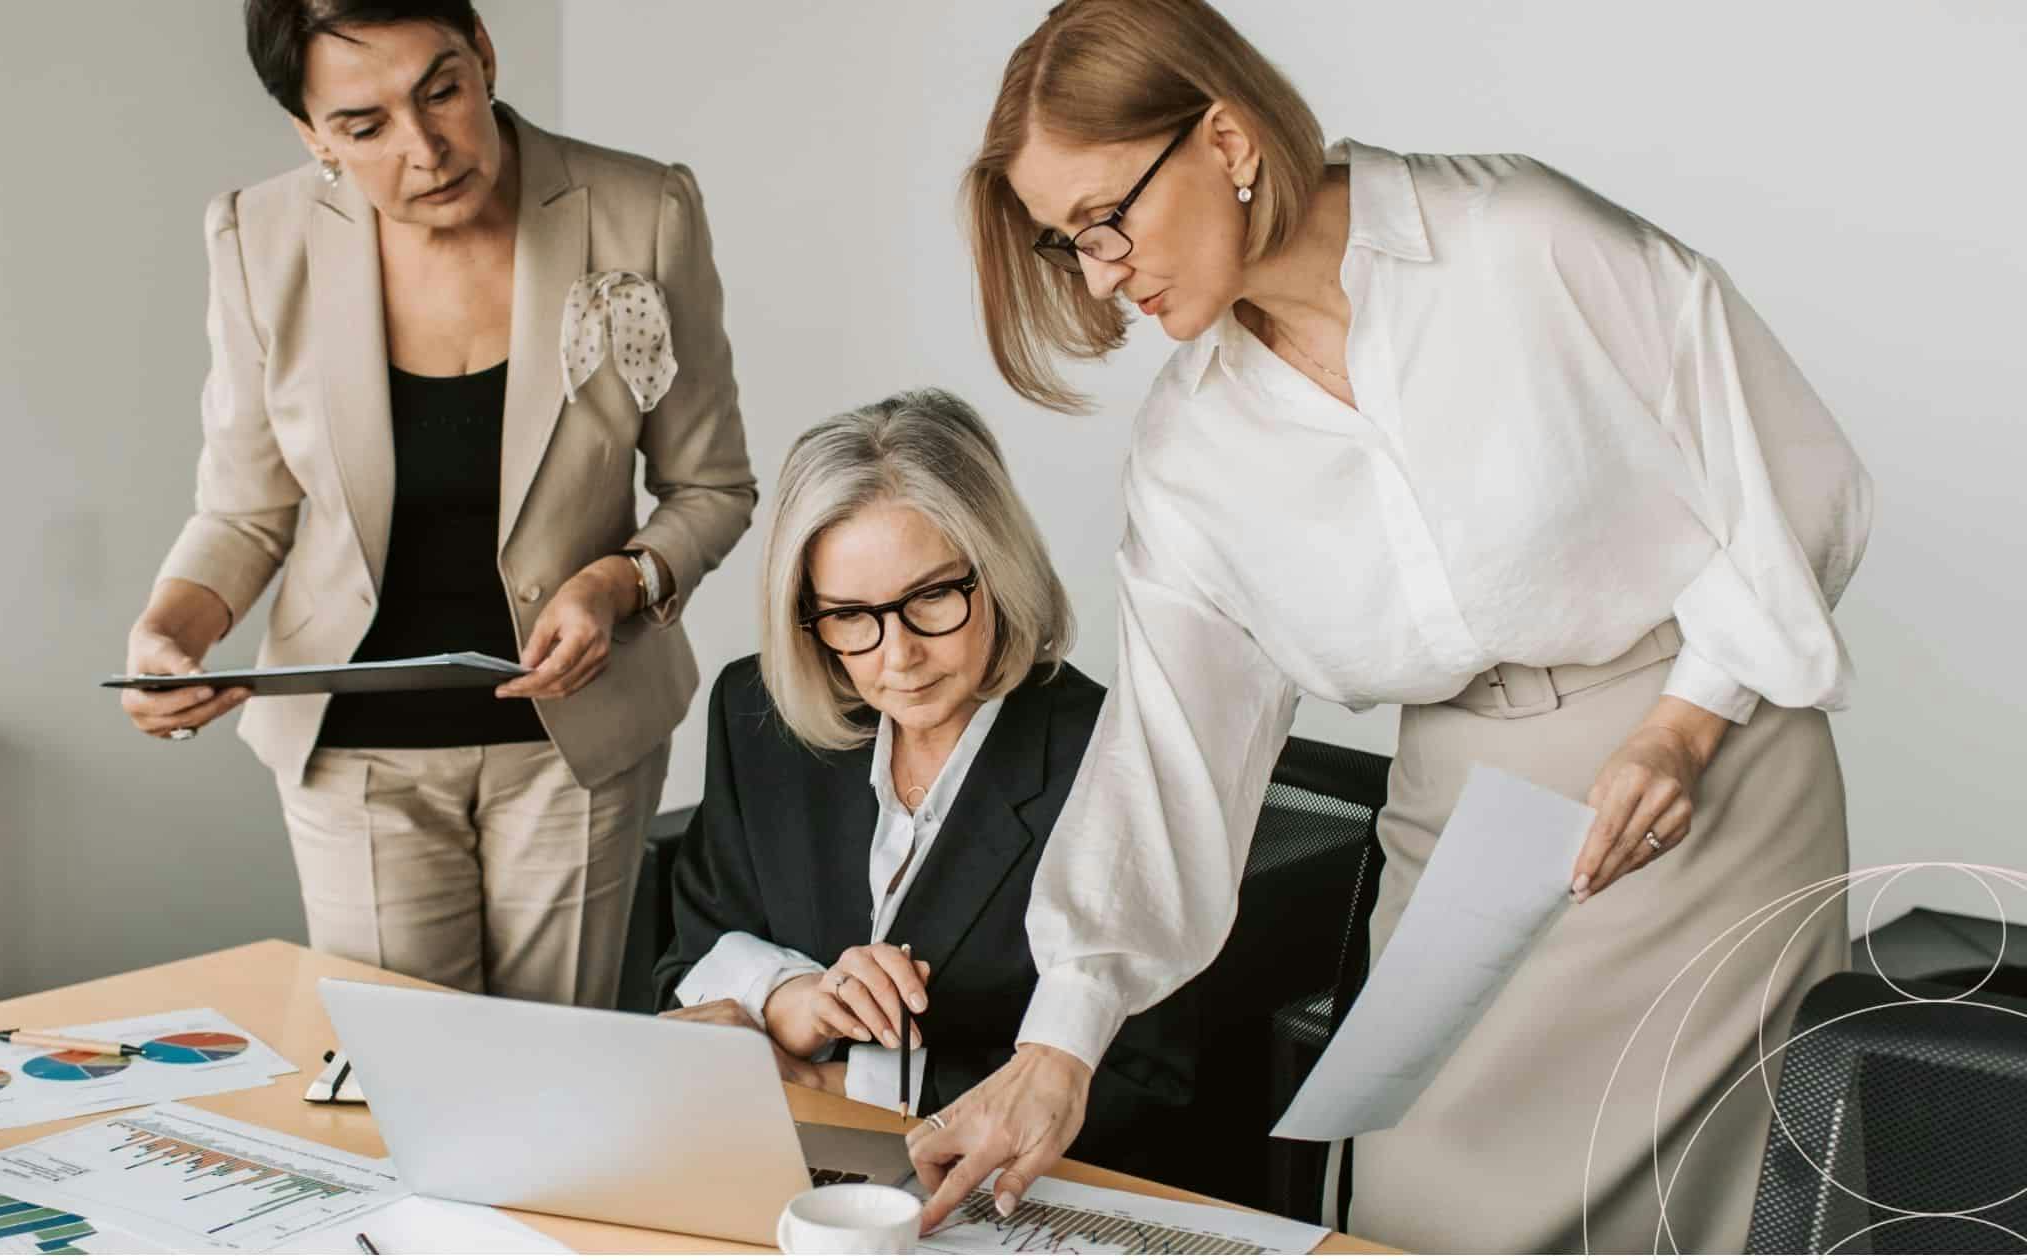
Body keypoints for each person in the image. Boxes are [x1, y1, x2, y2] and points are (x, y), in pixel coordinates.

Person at [907, 0, 1873, 1251]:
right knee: (1415, 1213)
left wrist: (1685, 726)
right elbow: (1167, 751)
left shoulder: (1519, 238)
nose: (1100, 273)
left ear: (1225, 138)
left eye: (1105, 220)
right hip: (1468, 830)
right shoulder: (1191, 450)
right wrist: (1060, 1046)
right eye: (1065, 244)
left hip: (1715, 790)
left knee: (1724, 1216)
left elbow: (1790, 470)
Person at [118, 0, 755, 1008]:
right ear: (312, 135)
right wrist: (167, 634)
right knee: (401, 1088)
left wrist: (614, 583)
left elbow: (709, 486)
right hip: (351, 749)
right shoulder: (257, 237)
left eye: (442, 89)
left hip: (573, 741)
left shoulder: (642, 210)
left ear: (484, 55)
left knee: (557, 1076)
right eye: (365, 126)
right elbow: (245, 510)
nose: (426, 149)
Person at [655, 389, 1193, 1175]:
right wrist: (789, 999)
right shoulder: (756, 713)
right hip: (758, 1158)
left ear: (999, 567)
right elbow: (685, 963)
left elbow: (1146, 1082)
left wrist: (846, 1081)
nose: (896, 655)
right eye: (848, 615)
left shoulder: (1110, 758)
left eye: (933, 597)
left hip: (999, 1195)